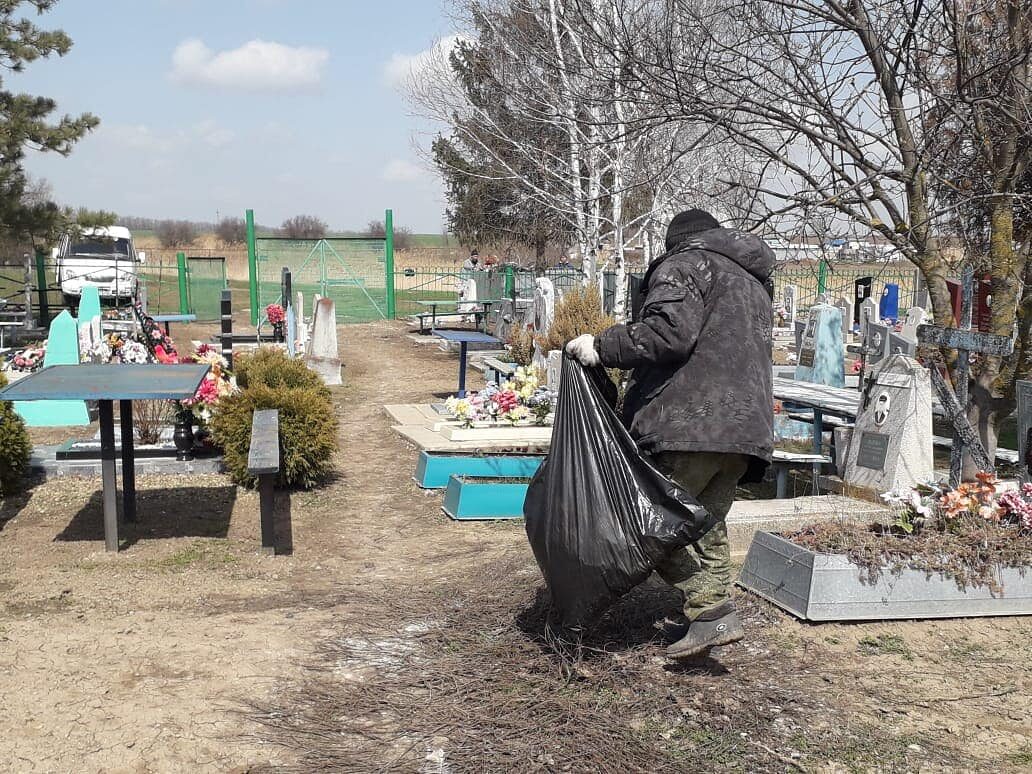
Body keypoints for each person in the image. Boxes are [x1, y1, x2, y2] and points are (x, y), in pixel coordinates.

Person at [565, 209, 774, 659]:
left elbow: (668, 335)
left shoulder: (685, 264)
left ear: (675, 240)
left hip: (688, 421)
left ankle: (710, 610)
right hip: (745, 429)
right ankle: (703, 616)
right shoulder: (752, 280)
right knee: (705, 523)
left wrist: (601, 346)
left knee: (647, 522)